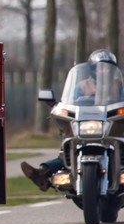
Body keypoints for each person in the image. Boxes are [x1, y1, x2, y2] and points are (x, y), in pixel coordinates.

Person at [21, 49, 121, 191]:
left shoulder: (119, 84)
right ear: (92, 69)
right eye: (100, 68)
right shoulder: (81, 85)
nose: (103, 71)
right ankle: (42, 173)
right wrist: (60, 107)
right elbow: (71, 101)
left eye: (106, 67)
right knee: (69, 149)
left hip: (111, 127)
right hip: (84, 125)